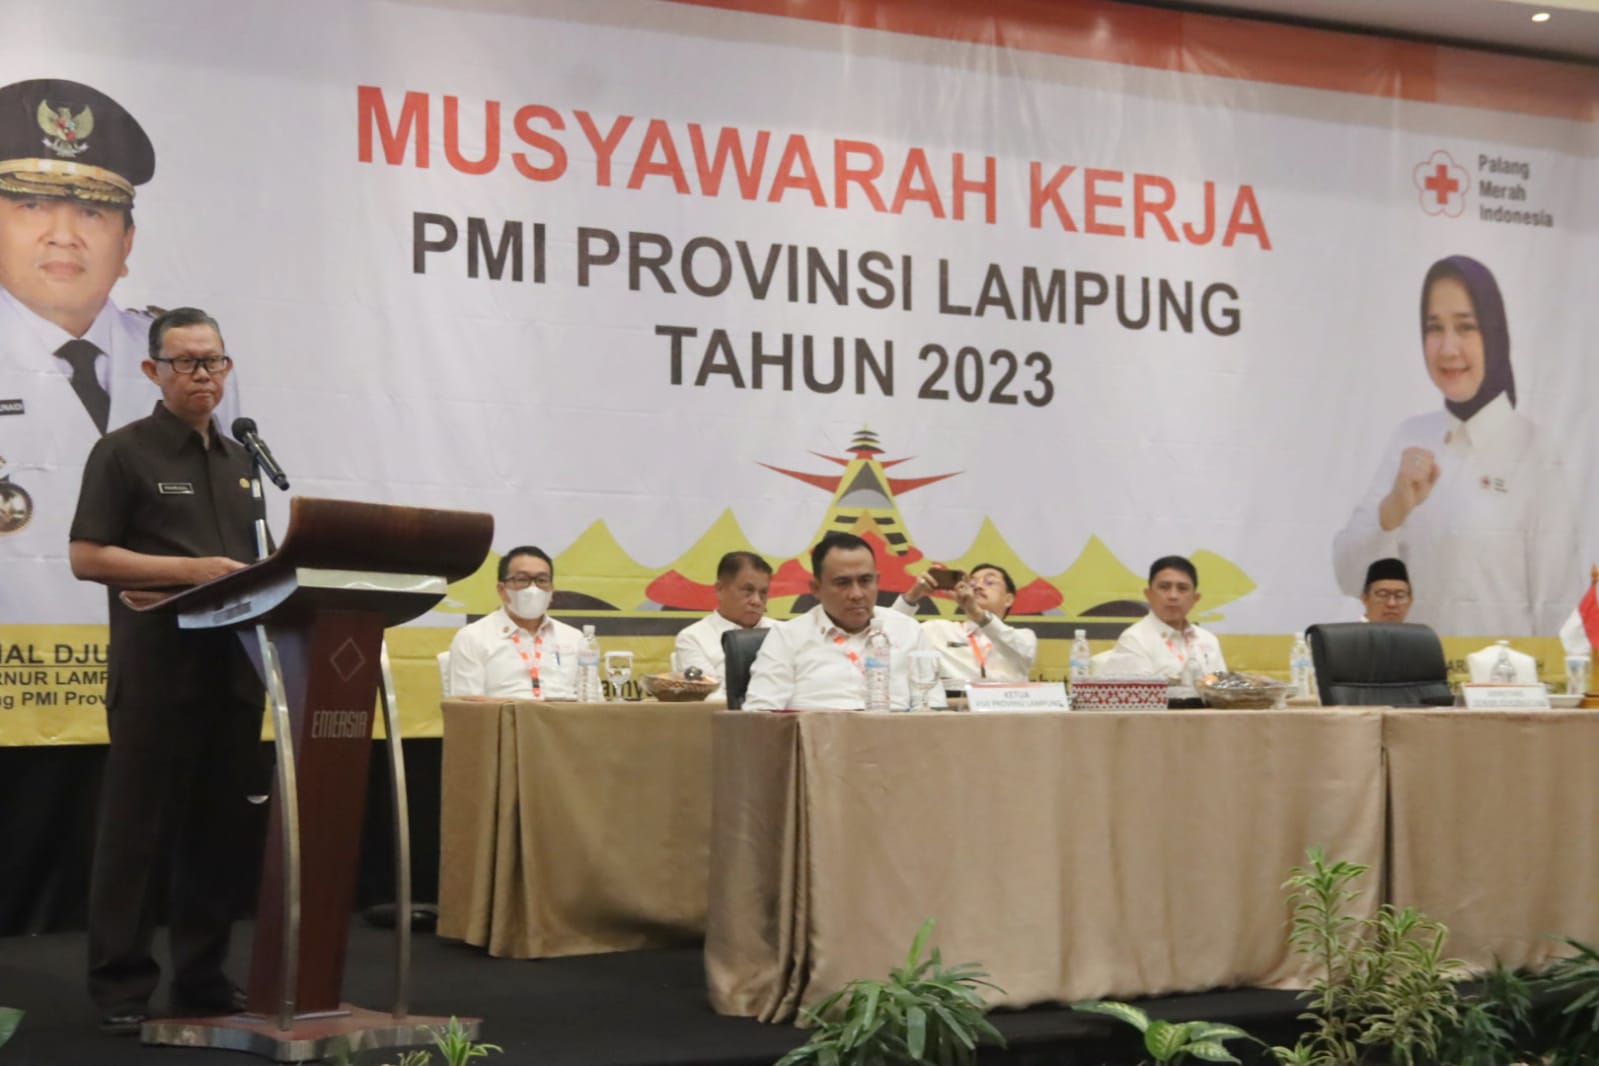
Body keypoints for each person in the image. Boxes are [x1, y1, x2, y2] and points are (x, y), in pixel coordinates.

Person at [67, 307, 261, 1034]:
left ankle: (203, 978)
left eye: (213, 360)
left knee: (217, 836)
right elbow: (87, 556)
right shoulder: (122, 452)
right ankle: (121, 988)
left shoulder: (243, 462)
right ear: (152, 370)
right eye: (185, 361)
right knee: (136, 838)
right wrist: (192, 570)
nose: (202, 374)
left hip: (233, 674)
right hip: (156, 678)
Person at [0, 77, 238, 625]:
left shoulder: (184, 357)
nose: (64, 235)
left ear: (126, 242)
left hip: (177, 633)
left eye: (93, 213)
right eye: (32, 205)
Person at [1333, 255, 1579, 636]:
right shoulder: (1411, 437)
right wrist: (1394, 509)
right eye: (1435, 328)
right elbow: (1349, 576)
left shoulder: (1534, 450)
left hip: (1501, 673)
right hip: (1413, 669)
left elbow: (1559, 607)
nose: (1448, 349)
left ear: (1493, 334)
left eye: (1465, 327)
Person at [743, 532, 945, 712]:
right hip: (818, 739)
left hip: (895, 738)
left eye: (865, 581)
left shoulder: (908, 630)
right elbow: (760, 714)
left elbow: (933, 709)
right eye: (843, 583)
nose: (856, 594)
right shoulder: (787, 636)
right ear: (816, 588)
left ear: (877, 581)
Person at [446, 545, 584, 699]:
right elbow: (466, 705)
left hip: (565, 714)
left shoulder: (574, 638)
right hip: (503, 714)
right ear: (502, 590)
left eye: (542, 580)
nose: (533, 589)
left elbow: (592, 699)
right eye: (522, 580)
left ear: (551, 590)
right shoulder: (472, 637)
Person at [892, 562, 1037, 684]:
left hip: (1005, 708)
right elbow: (888, 633)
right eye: (972, 582)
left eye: (989, 582)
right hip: (952, 707)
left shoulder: (1024, 638)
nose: (978, 586)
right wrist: (913, 595)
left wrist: (976, 612)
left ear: (1008, 600)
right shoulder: (937, 630)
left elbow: (1016, 646)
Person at [673, 550, 775, 699]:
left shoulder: (783, 632)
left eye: (763, 593)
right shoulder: (692, 638)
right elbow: (708, 696)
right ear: (719, 589)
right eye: (748, 591)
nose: (757, 601)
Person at [1108, 555, 1227, 680]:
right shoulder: (1134, 639)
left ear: (1195, 599)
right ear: (1149, 595)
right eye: (1164, 587)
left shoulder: (1208, 639)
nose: (1173, 596)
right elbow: (1136, 691)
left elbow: (1221, 687)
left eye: (1182, 588)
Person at [1359, 558, 1414, 623]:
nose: (1392, 603)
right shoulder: (1351, 629)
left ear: (1410, 600)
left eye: (1399, 595)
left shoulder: (1420, 629)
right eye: (1383, 594)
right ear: (1365, 598)